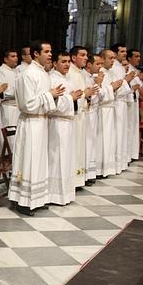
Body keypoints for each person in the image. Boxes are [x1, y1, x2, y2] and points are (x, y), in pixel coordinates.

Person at [8, 40, 62, 216]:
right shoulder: (28, 74)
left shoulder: (43, 73)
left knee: (39, 161)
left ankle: (37, 198)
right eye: (46, 51)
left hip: (41, 122)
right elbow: (27, 104)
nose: (50, 55)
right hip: (31, 123)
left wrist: (53, 96)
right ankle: (23, 201)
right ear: (35, 54)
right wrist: (50, 95)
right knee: (29, 160)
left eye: (50, 51)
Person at [48, 51, 82, 206]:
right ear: (55, 63)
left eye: (68, 61)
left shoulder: (67, 78)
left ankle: (65, 192)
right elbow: (54, 105)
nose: (67, 64)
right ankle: (54, 194)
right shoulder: (53, 79)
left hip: (68, 123)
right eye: (63, 61)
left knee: (67, 157)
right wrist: (71, 98)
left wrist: (77, 98)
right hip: (57, 123)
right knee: (57, 157)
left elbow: (74, 100)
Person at [68, 46, 96, 188]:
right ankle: (72, 180)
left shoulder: (81, 73)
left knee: (80, 148)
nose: (86, 58)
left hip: (81, 116)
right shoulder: (70, 74)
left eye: (86, 55)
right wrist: (85, 94)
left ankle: (78, 179)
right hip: (73, 117)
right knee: (74, 148)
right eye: (83, 55)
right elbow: (72, 95)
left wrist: (88, 97)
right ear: (74, 57)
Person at [110, 43, 136, 172]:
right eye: (122, 51)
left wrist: (127, 80)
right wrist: (127, 80)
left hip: (123, 104)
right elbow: (116, 87)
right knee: (117, 132)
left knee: (122, 132)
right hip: (117, 103)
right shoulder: (114, 67)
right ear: (115, 53)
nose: (125, 54)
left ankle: (120, 162)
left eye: (125, 51)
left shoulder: (120, 67)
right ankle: (115, 162)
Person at [97, 49, 120, 177]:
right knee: (102, 139)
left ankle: (106, 168)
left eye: (114, 58)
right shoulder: (100, 73)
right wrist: (112, 87)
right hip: (102, 110)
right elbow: (100, 93)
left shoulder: (111, 73)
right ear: (102, 58)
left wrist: (114, 88)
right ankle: (99, 169)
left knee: (109, 139)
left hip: (110, 110)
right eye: (110, 58)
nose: (113, 61)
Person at [82, 55, 103, 184]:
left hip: (93, 113)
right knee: (86, 143)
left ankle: (89, 172)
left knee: (91, 143)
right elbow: (89, 97)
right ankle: (84, 174)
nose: (100, 66)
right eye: (98, 63)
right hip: (86, 113)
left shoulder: (92, 77)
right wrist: (98, 84)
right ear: (89, 64)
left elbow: (101, 96)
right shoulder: (83, 76)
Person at [0, 49, 20, 131]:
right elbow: (2, 92)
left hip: (17, 107)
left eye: (16, 56)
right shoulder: (0, 71)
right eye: (13, 56)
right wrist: (20, 93)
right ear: (6, 59)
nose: (16, 58)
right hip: (8, 108)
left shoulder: (17, 71)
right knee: (9, 135)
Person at [127, 49, 143, 160]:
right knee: (128, 128)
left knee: (133, 127)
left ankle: (131, 154)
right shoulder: (127, 69)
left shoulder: (135, 70)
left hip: (134, 101)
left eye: (139, 56)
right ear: (129, 58)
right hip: (126, 102)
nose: (139, 58)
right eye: (136, 56)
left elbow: (139, 84)